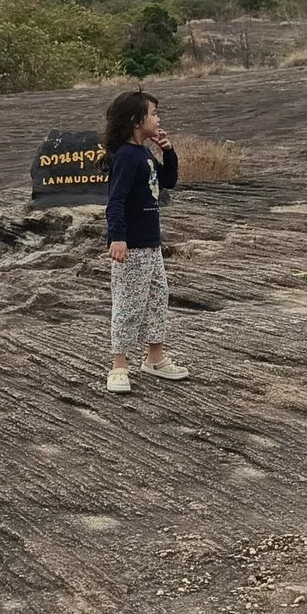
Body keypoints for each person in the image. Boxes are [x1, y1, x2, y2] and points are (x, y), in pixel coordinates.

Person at [101, 90, 187, 394]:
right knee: (128, 302)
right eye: (153, 113)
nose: (158, 119)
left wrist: (169, 151)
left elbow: (169, 181)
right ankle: (119, 365)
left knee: (156, 297)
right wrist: (118, 237)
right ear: (137, 120)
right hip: (132, 245)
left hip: (151, 244)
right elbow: (116, 201)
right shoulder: (125, 156)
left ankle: (155, 358)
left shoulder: (144, 153)